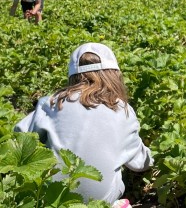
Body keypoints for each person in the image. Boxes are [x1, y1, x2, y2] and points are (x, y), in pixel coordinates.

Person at [14, 43, 154, 205]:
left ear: (72, 76)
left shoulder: (52, 102)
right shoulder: (122, 110)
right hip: (99, 203)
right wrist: (152, 159)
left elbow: (21, 137)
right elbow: (139, 163)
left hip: (49, 199)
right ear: (115, 74)